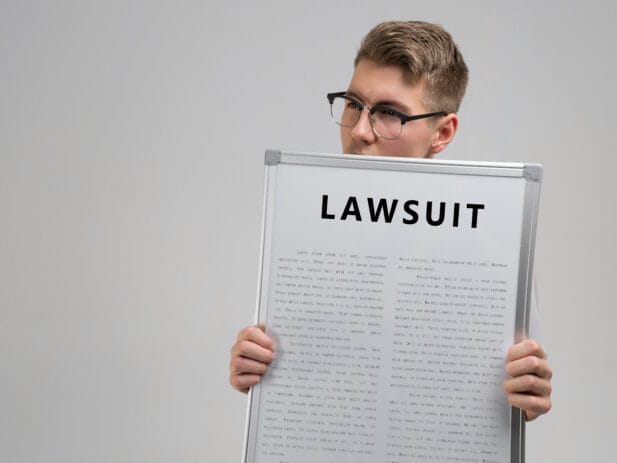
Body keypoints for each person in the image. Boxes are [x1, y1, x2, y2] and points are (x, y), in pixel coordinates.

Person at [230, 21, 553, 421]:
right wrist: (255, 365)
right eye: (353, 103)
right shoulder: (301, 230)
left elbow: (524, 397)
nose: (359, 131)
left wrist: (528, 392)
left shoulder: (494, 250)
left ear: (442, 133)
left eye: (388, 113)